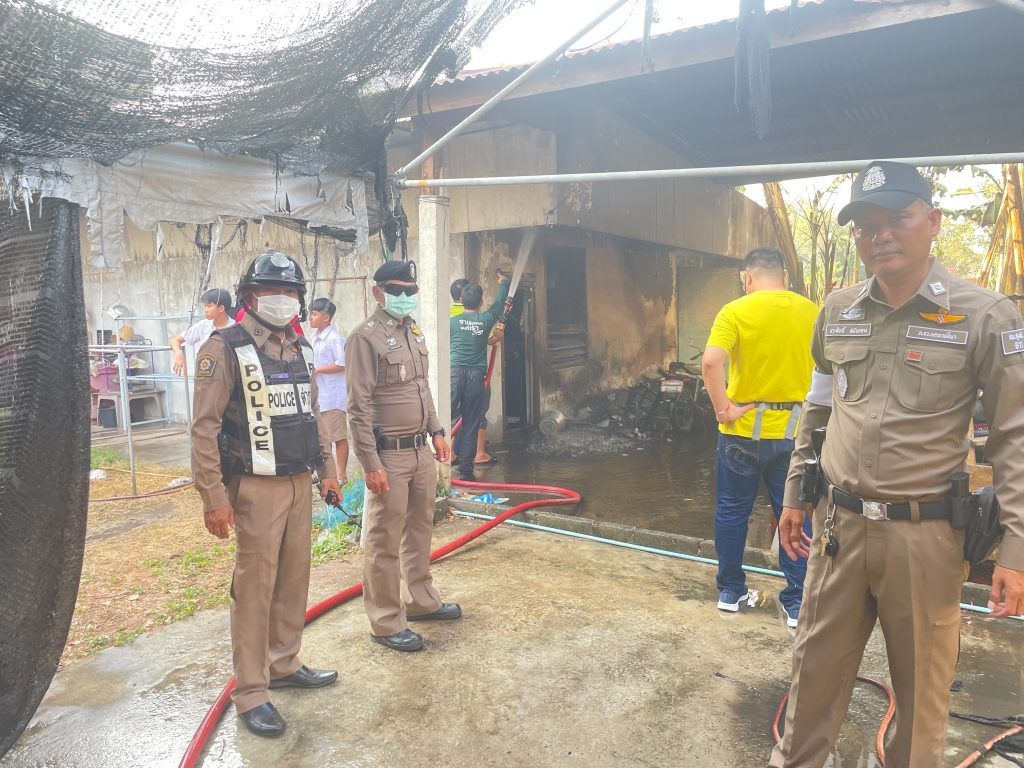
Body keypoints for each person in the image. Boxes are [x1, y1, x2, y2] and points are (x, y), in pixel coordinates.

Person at [771, 161, 1024, 768]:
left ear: (932, 221)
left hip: (925, 540)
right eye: (866, 225)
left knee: (921, 696)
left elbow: (1014, 438)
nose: (880, 235)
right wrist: (795, 495)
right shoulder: (838, 310)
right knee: (813, 675)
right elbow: (818, 406)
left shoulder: (984, 316)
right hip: (838, 530)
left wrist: (1015, 551)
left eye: (897, 219)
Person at [190, 251, 340, 738]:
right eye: (272, 291)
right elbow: (204, 428)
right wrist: (213, 496)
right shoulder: (223, 348)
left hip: (299, 483)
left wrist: (328, 471)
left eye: (291, 292)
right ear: (249, 297)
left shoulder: (300, 347)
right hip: (254, 487)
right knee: (254, 591)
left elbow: (313, 415)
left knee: (294, 580)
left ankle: (284, 663)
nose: (283, 299)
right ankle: (252, 692)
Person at [702, 247, 819, 627]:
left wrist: (723, 409)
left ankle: (730, 591)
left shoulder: (735, 311)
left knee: (732, 511)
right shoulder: (812, 312)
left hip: (740, 435)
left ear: (747, 278)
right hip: (794, 437)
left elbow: (710, 362)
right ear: (784, 275)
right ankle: (797, 601)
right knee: (794, 513)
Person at [346, 260, 455, 653]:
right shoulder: (365, 338)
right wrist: (370, 463)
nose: (405, 296)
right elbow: (358, 407)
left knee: (419, 530)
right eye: (396, 290)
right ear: (378, 292)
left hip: (420, 450)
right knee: (384, 540)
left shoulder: (413, 331)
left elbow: (422, 386)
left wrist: (437, 430)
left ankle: (421, 601)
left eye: (411, 290)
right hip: (388, 455)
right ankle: (386, 622)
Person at [450, 276, 510, 481]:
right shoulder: (485, 320)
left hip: (454, 374)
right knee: (470, 422)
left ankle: (437, 462)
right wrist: (503, 283)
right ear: (481, 302)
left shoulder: (451, 322)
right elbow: (499, 304)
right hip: (475, 377)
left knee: (446, 417)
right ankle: (466, 471)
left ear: (461, 301)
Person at [308, 297, 349, 483]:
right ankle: (324, 472)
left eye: (315, 314)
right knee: (322, 437)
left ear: (326, 317)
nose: (311, 318)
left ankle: (341, 475)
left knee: (338, 437)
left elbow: (343, 363)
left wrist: (318, 370)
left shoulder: (334, 338)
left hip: (334, 396)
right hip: (320, 396)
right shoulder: (314, 337)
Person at [171, 288, 234, 376]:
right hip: (205, 377)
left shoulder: (235, 327)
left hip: (229, 377)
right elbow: (175, 341)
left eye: (209, 306)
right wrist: (178, 353)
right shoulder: (203, 326)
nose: (205, 310)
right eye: (205, 306)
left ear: (221, 308)